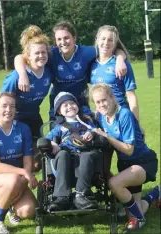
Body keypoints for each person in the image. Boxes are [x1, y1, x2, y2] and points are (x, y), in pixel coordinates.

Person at [14, 21, 127, 121]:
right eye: (59, 39)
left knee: (87, 137)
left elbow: (112, 49)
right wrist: (23, 74)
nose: (63, 42)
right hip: (59, 105)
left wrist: (120, 59)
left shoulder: (86, 52)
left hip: (81, 104)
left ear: (74, 37)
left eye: (66, 37)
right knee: (58, 138)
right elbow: (20, 57)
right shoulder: (51, 54)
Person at [89, 83, 158, 231]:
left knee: (114, 183)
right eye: (98, 102)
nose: (102, 104)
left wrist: (106, 136)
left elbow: (129, 150)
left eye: (104, 100)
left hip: (142, 162)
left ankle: (140, 220)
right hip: (125, 166)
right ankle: (156, 193)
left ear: (113, 98)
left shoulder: (124, 114)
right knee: (134, 211)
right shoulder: (101, 117)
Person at [0, 25, 54, 170]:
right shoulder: (16, 77)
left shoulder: (48, 72)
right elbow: (0, 100)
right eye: (37, 53)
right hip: (13, 120)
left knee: (38, 162)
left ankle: (39, 187)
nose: (41, 56)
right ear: (28, 56)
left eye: (44, 52)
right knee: (13, 160)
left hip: (34, 119)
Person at [44, 91, 107, 211]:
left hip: (85, 155)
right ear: (58, 111)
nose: (69, 107)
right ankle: (61, 197)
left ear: (78, 105)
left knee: (87, 155)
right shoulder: (59, 127)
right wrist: (52, 142)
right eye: (65, 105)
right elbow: (47, 139)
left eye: (72, 103)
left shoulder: (87, 122)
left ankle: (81, 195)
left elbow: (98, 131)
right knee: (62, 154)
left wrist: (92, 133)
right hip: (65, 156)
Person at [0, 92, 38, 234]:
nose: (8, 110)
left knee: (29, 211)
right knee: (13, 179)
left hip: (19, 180)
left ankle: (9, 206)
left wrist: (24, 177)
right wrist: (24, 173)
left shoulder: (23, 128)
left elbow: (27, 159)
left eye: (12, 106)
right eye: (4, 106)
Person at [90, 25, 140, 123]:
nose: (106, 43)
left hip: (120, 115)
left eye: (110, 40)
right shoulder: (91, 63)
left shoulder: (123, 65)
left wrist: (135, 122)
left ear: (115, 43)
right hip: (101, 117)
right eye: (103, 39)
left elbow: (131, 96)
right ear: (97, 39)